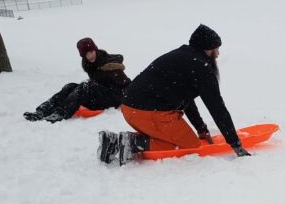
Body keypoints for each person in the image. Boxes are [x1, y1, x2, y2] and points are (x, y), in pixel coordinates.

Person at [97, 24, 250, 165]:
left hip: (131, 109)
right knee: (190, 145)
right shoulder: (201, 66)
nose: (217, 54)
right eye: (215, 49)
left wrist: (201, 128)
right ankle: (128, 143)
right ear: (206, 49)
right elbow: (216, 107)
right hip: (147, 112)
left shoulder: (183, 56)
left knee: (173, 135)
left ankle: (120, 141)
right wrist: (235, 144)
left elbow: (186, 96)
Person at [23, 38, 131, 123]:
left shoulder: (109, 64)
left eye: (91, 51)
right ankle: (42, 110)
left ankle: (61, 113)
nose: (90, 55)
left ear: (95, 49)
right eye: (87, 54)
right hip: (97, 96)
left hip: (113, 99)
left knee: (86, 86)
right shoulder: (90, 65)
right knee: (70, 86)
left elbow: (127, 85)